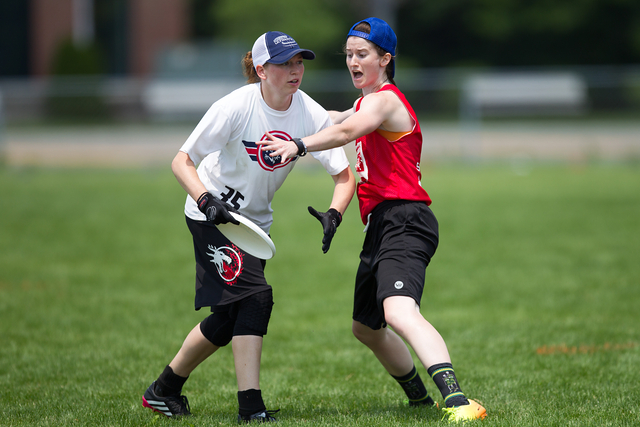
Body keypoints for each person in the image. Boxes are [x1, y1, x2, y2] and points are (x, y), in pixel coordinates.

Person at [260, 18, 487, 423]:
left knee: (399, 311)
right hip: (381, 225)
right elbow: (332, 118)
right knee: (366, 327)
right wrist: (274, 103)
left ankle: (458, 401)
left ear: (385, 58)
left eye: (362, 54)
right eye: (348, 54)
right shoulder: (365, 102)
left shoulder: (384, 100)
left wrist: (296, 146)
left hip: (406, 218)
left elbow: (347, 130)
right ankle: (419, 401)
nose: (353, 61)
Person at [141, 31, 356, 423]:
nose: (296, 70)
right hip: (210, 215)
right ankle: (250, 408)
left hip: (254, 226)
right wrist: (208, 201)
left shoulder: (310, 112)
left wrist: (335, 213)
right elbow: (181, 161)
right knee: (257, 299)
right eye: (285, 63)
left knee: (230, 317)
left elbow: (344, 176)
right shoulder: (235, 107)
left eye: (299, 62)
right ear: (261, 70)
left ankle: (163, 390)